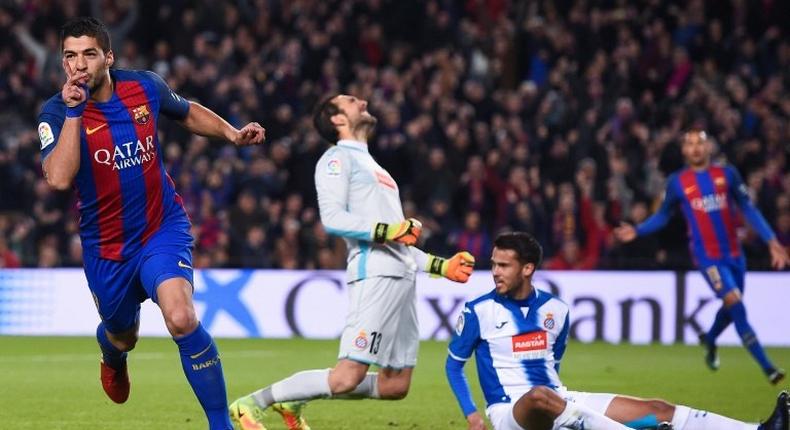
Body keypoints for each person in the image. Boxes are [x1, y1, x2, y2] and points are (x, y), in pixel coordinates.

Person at [38, 17, 265, 430]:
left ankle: (221, 425)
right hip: (107, 248)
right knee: (124, 334)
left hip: (161, 228)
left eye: (89, 53)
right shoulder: (55, 112)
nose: (79, 64)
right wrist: (75, 113)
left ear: (109, 56)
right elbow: (58, 178)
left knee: (181, 317)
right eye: (70, 56)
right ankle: (113, 354)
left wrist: (231, 134)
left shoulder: (143, 86)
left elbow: (186, 111)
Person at [229, 94, 476, 430]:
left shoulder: (377, 168)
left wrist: (440, 266)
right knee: (346, 376)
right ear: (336, 119)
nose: (361, 99)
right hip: (374, 276)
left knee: (395, 386)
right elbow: (332, 219)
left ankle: (294, 397)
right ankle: (251, 404)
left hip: (403, 279)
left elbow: (399, 241)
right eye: (349, 100)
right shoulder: (336, 160)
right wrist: (389, 230)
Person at [446, 231, 790, 430]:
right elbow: (453, 365)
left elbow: (555, 362)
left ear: (527, 269)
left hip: (560, 400)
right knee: (539, 396)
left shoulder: (555, 310)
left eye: (503, 265)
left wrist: (562, 401)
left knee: (658, 410)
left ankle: (758, 429)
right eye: (493, 264)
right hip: (511, 413)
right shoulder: (478, 311)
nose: (494, 272)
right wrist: (473, 414)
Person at [614, 130, 789, 384]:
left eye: (699, 143)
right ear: (684, 150)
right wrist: (638, 229)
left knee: (731, 306)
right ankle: (768, 368)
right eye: (689, 144)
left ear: (708, 147)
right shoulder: (677, 182)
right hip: (707, 257)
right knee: (736, 305)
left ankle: (710, 338)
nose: (695, 148)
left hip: (735, 255)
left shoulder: (727, 174)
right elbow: (664, 215)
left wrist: (772, 241)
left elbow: (748, 208)